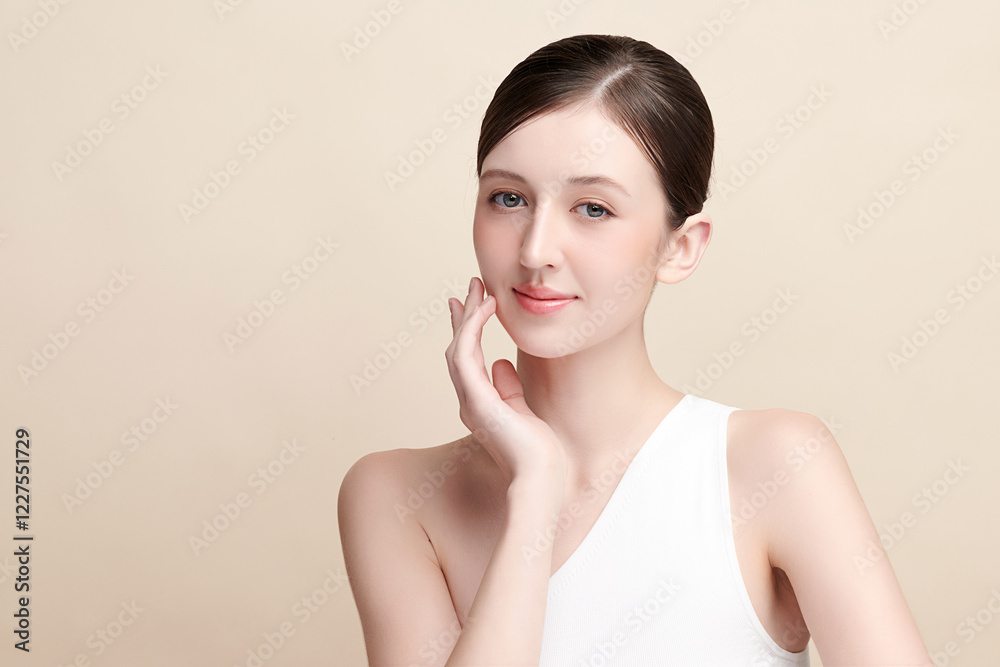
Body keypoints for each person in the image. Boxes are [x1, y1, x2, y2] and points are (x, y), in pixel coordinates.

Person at [338, 34, 933, 666]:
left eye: (593, 208)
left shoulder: (777, 465)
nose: (535, 250)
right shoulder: (395, 497)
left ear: (680, 247)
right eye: (508, 198)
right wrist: (534, 490)